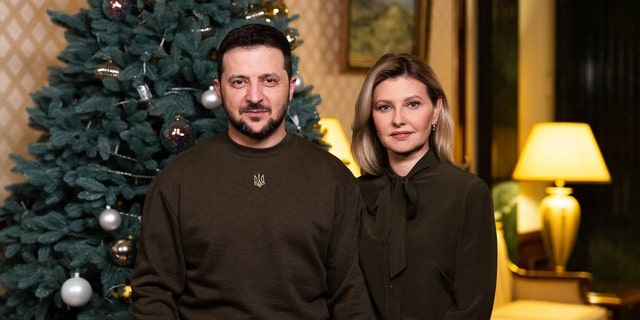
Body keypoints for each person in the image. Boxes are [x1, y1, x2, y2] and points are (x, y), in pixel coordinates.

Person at [132, 23, 374, 320]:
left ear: (291, 86)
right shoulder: (177, 181)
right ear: (219, 90)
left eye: (269, 80)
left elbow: (351, 297)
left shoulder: (334, 179)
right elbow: (154, 294)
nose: (255, 96)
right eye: (239, 82)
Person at [351, 53, 497, 319]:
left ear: (436, 110)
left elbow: (473, 307)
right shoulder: (356, 194)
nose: (398, 119)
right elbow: (348, 294)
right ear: (371, 117)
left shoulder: (467, 193)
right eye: (384, 107)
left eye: (413, 104)